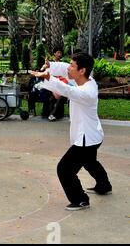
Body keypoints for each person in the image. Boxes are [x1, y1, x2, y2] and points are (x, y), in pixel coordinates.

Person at [31, 53, 112, 211]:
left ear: (82, 71)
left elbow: (67, 90)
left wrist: (48, 77)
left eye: (72, 66)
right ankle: (104, 185)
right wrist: (51, 66)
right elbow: (64, 70)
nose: (68, 68)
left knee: (64, 169)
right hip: (93, 136)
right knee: (90, 162)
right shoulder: (85, 79)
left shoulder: (87, 91)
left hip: (86, 139)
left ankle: (80, 200)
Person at [40, 47, 69, 121]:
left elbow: (65, 75)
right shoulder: (49, 63)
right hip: (51, 84)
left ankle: (55, 114)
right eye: (58, 52)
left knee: (61, 95)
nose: (60, 54)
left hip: (60, 83)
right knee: (50, 95)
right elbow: (44, 72)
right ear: (54, 53)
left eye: (60, 53)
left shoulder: (62, 63)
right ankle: (49, 114)